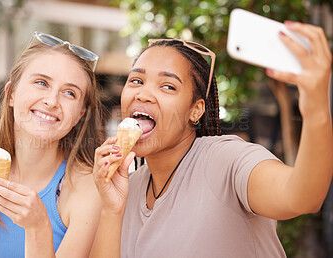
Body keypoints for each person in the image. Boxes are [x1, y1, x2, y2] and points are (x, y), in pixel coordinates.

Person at [91, 21, 333, 257]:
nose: (143, 94)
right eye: (136, 80)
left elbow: (301, 196)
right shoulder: (126, 189)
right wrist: (111, 211)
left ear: (195, 110)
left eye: (168, 86)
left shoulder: (224, 161)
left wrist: (316, 107)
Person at [0, 32, 104, 257]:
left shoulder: (87, 187)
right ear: (10, 94)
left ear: (79, 115)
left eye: (69, 93)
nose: (51, 101)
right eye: (41, 83)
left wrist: (38, 226)